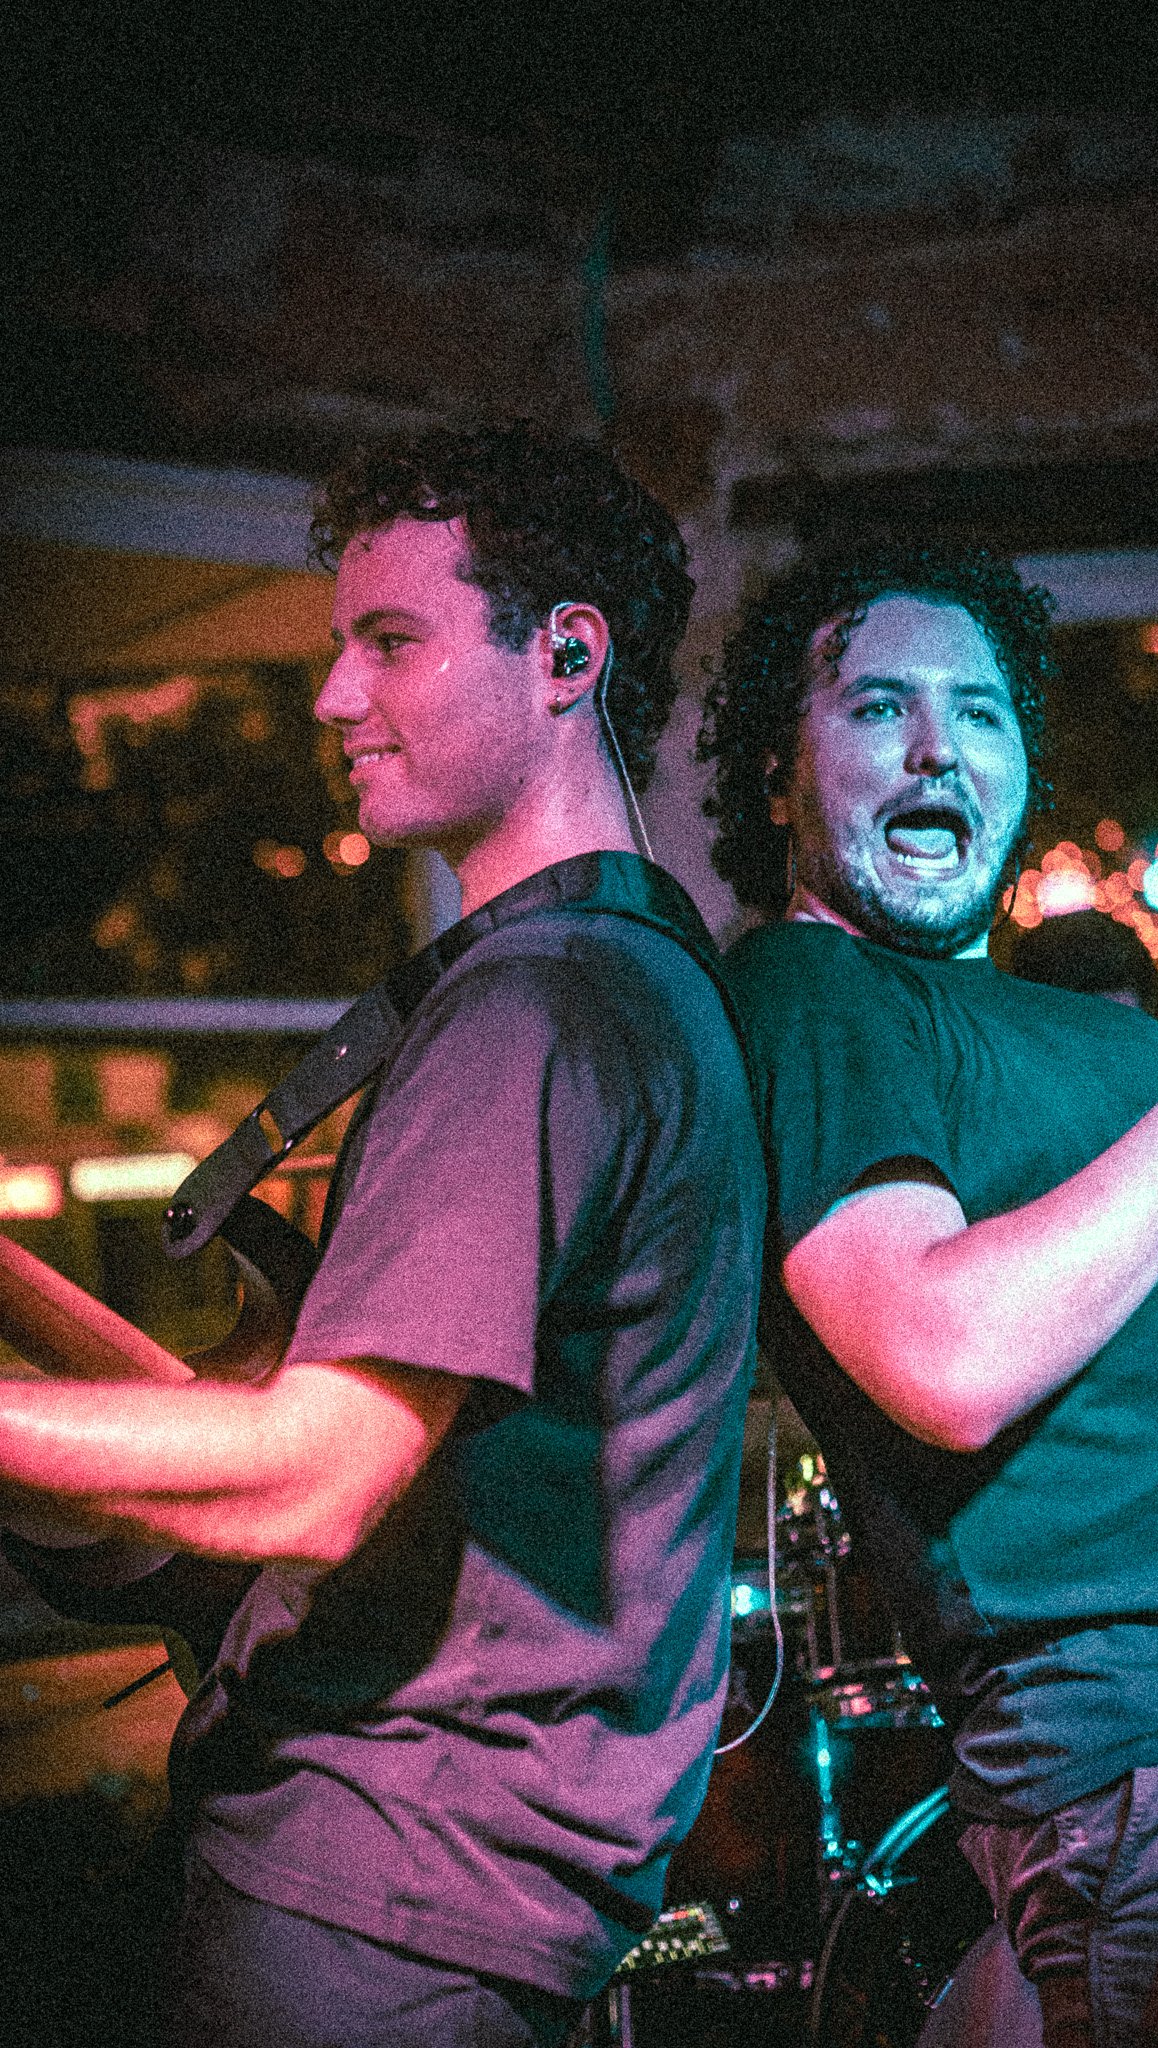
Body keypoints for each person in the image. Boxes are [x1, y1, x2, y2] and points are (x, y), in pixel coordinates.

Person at [0, 422, 765, 2048]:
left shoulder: (538, 1012)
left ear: (567, 653)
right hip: (444, 1897)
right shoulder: (630, 972)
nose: (337, 697)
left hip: (375, 1898)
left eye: (391, 641)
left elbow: (312, 1471)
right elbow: (307, 1432)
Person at [700, 537, 1158, 2046]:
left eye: (980, 712)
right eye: (877, 708)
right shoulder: (812, 997)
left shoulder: (1095, 1042)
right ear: (773, 776)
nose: (939, 744)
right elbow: (941, 1353)